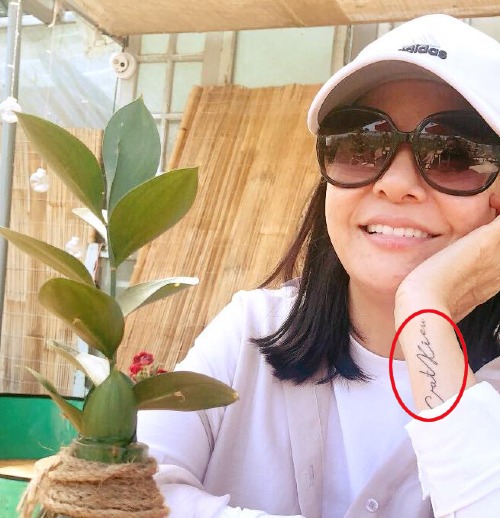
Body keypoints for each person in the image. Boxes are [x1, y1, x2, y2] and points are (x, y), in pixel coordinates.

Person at [138, 14, 500, 518]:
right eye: (361, 144)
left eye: (453, 155)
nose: (396, 184)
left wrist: (424, 310)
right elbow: (136, 493)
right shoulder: (252, 330)